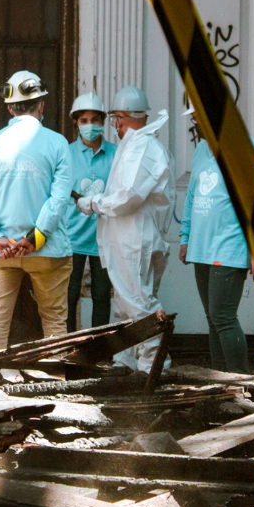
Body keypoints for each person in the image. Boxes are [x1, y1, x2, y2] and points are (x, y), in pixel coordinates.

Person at [0, 70, 73, 351]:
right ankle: (55, 378)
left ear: (10, 107)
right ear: (42, 105)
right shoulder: (57, 143)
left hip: (1, 250)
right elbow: (59, 199)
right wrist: (35, 237)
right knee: (53, 320)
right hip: (47, 250)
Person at [77, 86, 174, 373]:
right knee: (126, 304)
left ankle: (154, 366)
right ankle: (127, 362)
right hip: (127, 239)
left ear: (121, 118)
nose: (113, 126)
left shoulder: (142, 148)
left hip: (134, 238)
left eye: (114, 119)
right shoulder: (134, 146)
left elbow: (128, 196)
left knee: (139, 304)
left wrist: (93, 203)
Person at [179, 107, 254, 374]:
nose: (196, 125)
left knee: (223, 317)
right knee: (213, 319)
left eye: (199, 118)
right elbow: (192, 197)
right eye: (194, 119)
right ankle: (219, 381)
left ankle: (240, 381)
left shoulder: (248, 150)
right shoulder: (201, 150)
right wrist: (186, 238)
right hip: (201, 247)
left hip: (230, 246)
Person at [63, 92, 116, 333]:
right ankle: (69, 350)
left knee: (102, 296)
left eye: (95, 119)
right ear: (76, 122)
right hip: (71, 237)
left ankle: (98, 352)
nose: (90, 125)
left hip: (104, 237)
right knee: (69, 296)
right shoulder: (66, 154)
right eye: (84, 120)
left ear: (103, 121)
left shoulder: (116, 154)